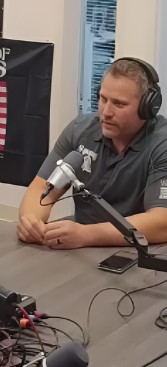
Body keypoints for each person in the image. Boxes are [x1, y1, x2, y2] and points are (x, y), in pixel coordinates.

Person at [17, 58, 167, 249]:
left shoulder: (162, 144)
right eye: (103, 99)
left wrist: (88, 235)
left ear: (147, 108)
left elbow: (162, 221)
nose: (106, 112)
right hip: (78, 247)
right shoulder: (80, 130)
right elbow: (42, 189)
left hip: (135, 253)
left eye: (119, 104)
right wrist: (31, 221)